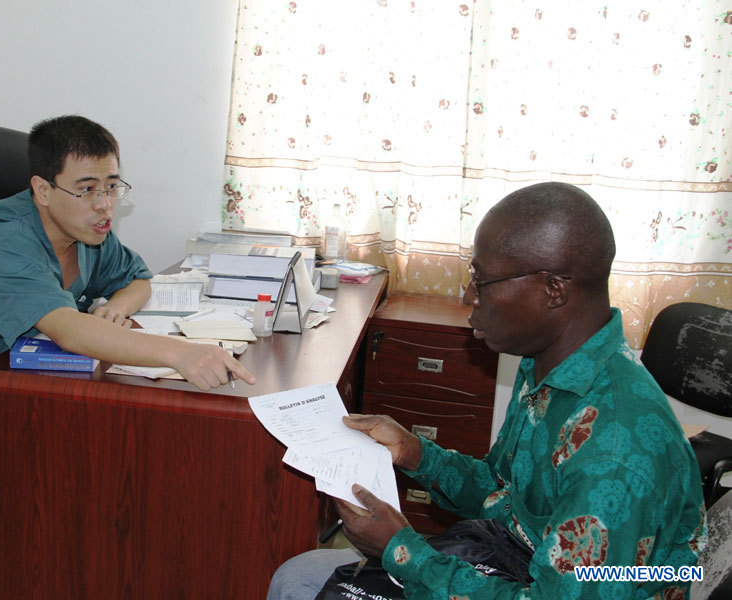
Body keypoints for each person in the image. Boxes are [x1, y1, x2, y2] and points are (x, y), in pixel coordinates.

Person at [268, 182, 706, 599]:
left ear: (553, 289)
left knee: (301, 585)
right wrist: (414, 453)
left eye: (482, 280)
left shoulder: (613, 450)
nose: (468, 295)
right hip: (515, 557)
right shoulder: (546, 364)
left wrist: (401, 550)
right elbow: (503, 492)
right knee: (300, 577)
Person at [0, 115, 255, 497]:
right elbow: (69, 330)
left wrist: (118, 307)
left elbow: (139, 280)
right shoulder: (5, 244)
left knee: (139, 468)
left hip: (44, 404)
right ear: (42, 190)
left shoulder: (88, 236)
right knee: (68, 504)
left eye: (111, 187)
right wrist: (181, 354)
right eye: (87, 189)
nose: (104, 206)